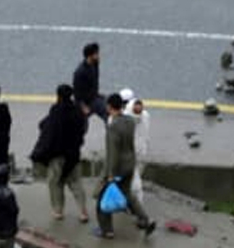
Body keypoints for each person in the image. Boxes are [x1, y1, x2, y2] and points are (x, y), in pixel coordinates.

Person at [95, 93, 156, 239]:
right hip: (130, 164)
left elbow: (113, 152)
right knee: (128, 195)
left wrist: (110, 174)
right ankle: (146, 220)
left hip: (117, 168)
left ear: (109, 106)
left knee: (101, 199)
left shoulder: (113, 126)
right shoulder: (129, 121)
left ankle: (106, 231)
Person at [30, 84, 89, 222]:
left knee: (55, 183)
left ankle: (58, 211)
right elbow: (82, 129)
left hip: (58, 155)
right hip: (73, 154)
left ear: (58, 95)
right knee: (76, 183)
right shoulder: (77, 110)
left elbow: (49, 130)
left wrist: (42, 152)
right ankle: (83, 212)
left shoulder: (56, 110)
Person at [121, 89, 151, 203]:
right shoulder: (146, 115)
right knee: (137, 176)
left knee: (134, 182)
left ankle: (135, 204)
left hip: (129, 154)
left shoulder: (124, 117)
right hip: (142, 151)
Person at [73, 42, 106, 124]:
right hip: (85, 102)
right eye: (96, 53)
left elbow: (95, 81)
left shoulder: (94, 64)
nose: (98, 55)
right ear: (90, 56)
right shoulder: (80, 72)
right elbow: (76, 92)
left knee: (108, 113)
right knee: (81, 124)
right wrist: (83, 106)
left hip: (94, 97)